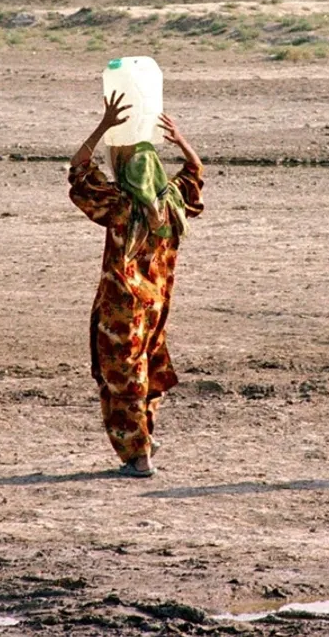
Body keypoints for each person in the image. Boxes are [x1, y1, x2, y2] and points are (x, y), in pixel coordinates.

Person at [68, 92, 204, 478]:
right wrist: (180, 141)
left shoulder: (122, 208)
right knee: (147, 368)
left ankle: (139, 455)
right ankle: (144, 437)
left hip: (121, 308)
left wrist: (104, 127)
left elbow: (79, 170)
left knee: (122, 378)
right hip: (156, 307)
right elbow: (195, 172)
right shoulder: (172, 203)